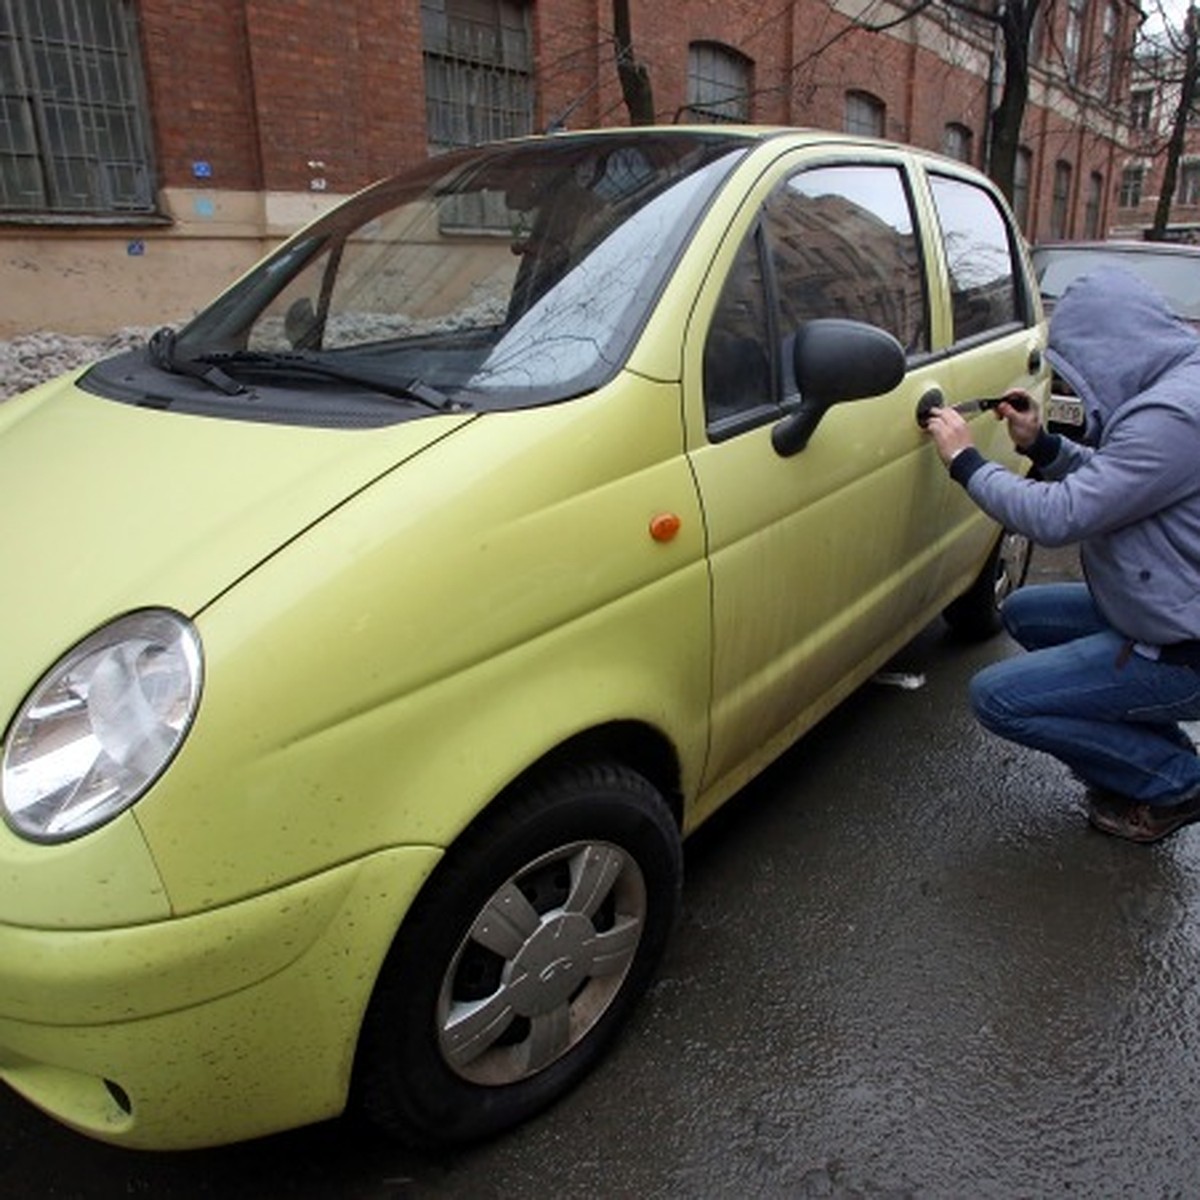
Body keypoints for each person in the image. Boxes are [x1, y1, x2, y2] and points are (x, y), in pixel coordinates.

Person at [923, 265, 1200, 844]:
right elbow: (1117, 481)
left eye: (1084, 367)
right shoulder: (1175, 385)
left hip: (1182, 645)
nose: (1081, 381)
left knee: (998, 698)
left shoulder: (1173, 417)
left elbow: (1058, 517)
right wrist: (1042, 444)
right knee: (1026, 613)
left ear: (1114, 348)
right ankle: (1152, 751)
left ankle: (1176, 780)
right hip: (1164, 606)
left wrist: (964, 462)